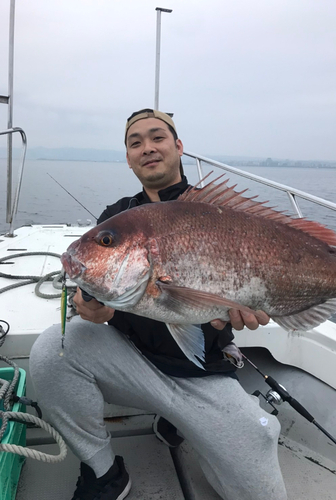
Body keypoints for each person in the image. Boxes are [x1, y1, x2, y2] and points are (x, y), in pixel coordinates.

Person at [29, 109, 287, 500]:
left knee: (261, 493)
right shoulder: (117, 219)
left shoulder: (220, 214)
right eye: (135, 142)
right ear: (129, 158)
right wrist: (93, 308)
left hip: (204, 375)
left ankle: (189, 422)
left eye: (157, 137)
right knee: (54, 350)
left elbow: (216, 303)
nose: (147, 147)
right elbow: (92, 293)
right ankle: (103, 472)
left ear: (178, 146)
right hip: (134, 366)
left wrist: (247, 307)